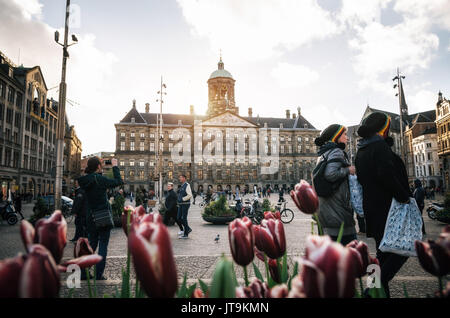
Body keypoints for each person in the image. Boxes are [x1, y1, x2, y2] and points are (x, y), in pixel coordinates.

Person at [355, 112, 411, 298]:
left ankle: (379, 293)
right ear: (385, 128)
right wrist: (404, 197)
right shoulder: (379, 147)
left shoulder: (361, 150)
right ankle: (371, 291)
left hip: (373, 209)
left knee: (381, 254)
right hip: (389, 209)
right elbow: (387, 176)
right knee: (401, 251)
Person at [78, 157, 123, 280]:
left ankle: (83, 272)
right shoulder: (100, 179)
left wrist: (96, 165)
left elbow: (89, 176)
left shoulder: (85, 180)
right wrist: (114, 166)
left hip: (90, 216)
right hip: (102, 215)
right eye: (101, 165)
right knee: (103, 244)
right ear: (98, 166)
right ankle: (98, 274)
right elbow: (118, 181)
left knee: (92, 243)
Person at [314, 124, 357, 245]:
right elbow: (330, 174)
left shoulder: (323, 153)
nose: (347, 138)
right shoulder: (336, 151)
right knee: (352, 254)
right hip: (338, 212)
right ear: (336, 136)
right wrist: (348, 170)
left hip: (326, 210)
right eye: (344, 134)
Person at [177, 174, 193, 239]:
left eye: (180, 177)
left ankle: (186, 234)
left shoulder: (187, 185)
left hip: (185, 204)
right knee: (178, 218)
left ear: (184, 178)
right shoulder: (182, 186)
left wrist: (182, 199)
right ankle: (188, 228)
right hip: (181, 204)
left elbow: (190, 195)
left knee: (184, 218)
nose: (179, 179)